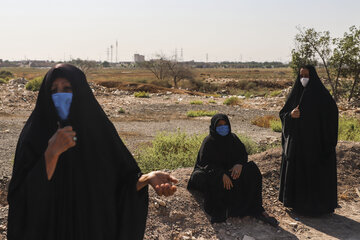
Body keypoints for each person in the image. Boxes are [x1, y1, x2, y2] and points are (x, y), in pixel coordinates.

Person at [7, 64, 177, 240]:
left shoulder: (99, 132)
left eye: (67, 88)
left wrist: (146, 179)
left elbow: (120, 184)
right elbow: (21, 198)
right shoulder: (34, 135)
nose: (60, 95)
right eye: (53, 90)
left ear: (81, 91)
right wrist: (51, 154)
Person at [187, 114, 277, 226]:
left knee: (252, 169)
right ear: (214, 126)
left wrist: (239, 164)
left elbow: (243, 155)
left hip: (231, 172)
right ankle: (222, 210)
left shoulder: (233, 138)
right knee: (204, 177)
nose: (223, 127)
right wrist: (221, 174)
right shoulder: (209, 142)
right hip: (213, 172)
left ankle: (256, 208)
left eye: (225, 124)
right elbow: (205, 163)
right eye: (220, 125)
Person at [279, 65, 338, 215]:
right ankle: (297, 205)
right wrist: (291, 116)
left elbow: (332, 115)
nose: (303, 79)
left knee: (315, 176)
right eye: (301, 75)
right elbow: (283, 113)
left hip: (316, 146)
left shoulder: (322, 96)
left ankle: (318, 208)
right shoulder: (296, 93)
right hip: (298, 147)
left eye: (307, 75)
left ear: (314, 76)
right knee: (299, 175)